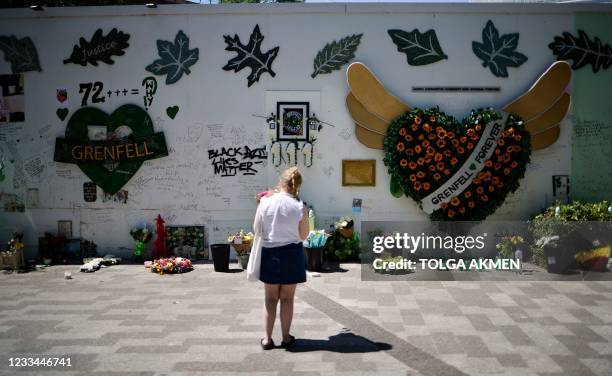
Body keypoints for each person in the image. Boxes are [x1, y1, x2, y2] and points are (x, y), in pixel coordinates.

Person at [253, 167, 309, 350]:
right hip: (292, 254)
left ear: (281, 181)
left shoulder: (265, 202)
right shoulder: (300, 206)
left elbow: (257, 229)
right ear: (297, 186)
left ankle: (267, 339)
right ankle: (286, 337)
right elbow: (303, 236)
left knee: (270, 299)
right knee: (287, 299)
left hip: (270, 253)